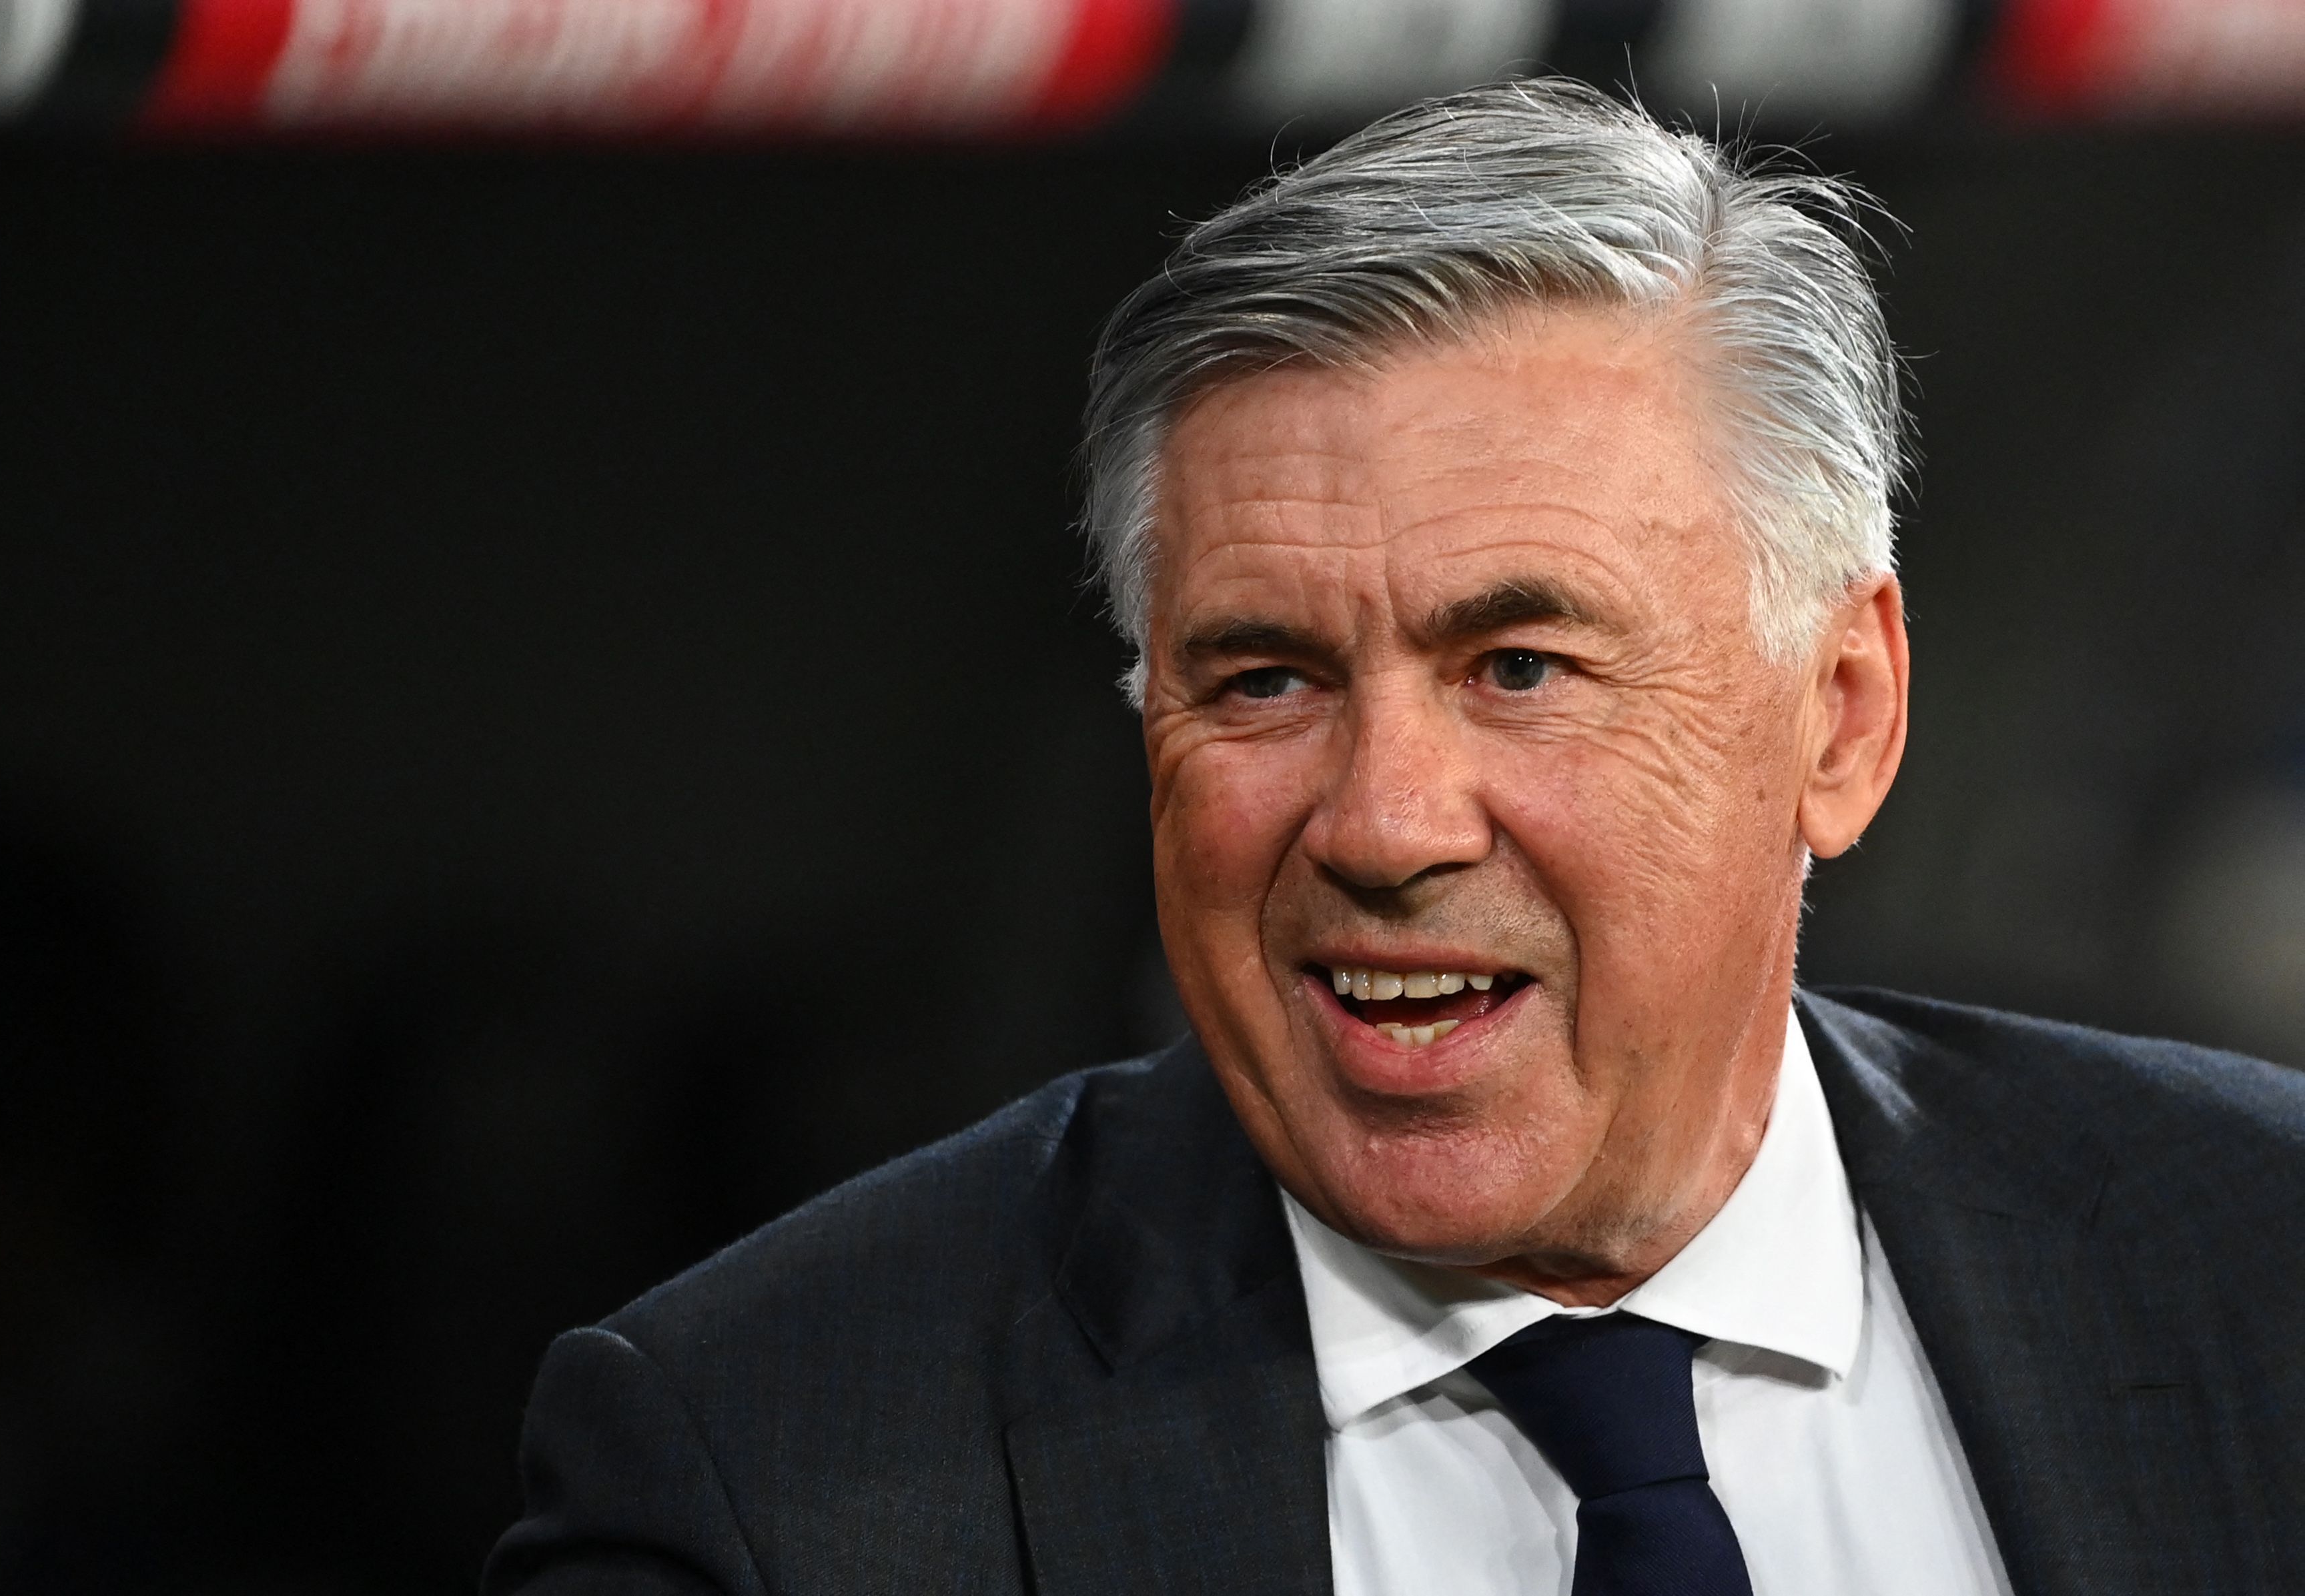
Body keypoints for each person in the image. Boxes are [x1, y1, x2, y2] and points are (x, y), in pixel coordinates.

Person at [482, 79, 2304, 1596]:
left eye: (1519, 662)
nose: (1383, 823)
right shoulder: (766, 1473)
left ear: (1840, 716)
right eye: (1263, 678)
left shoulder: (2261, 1267)